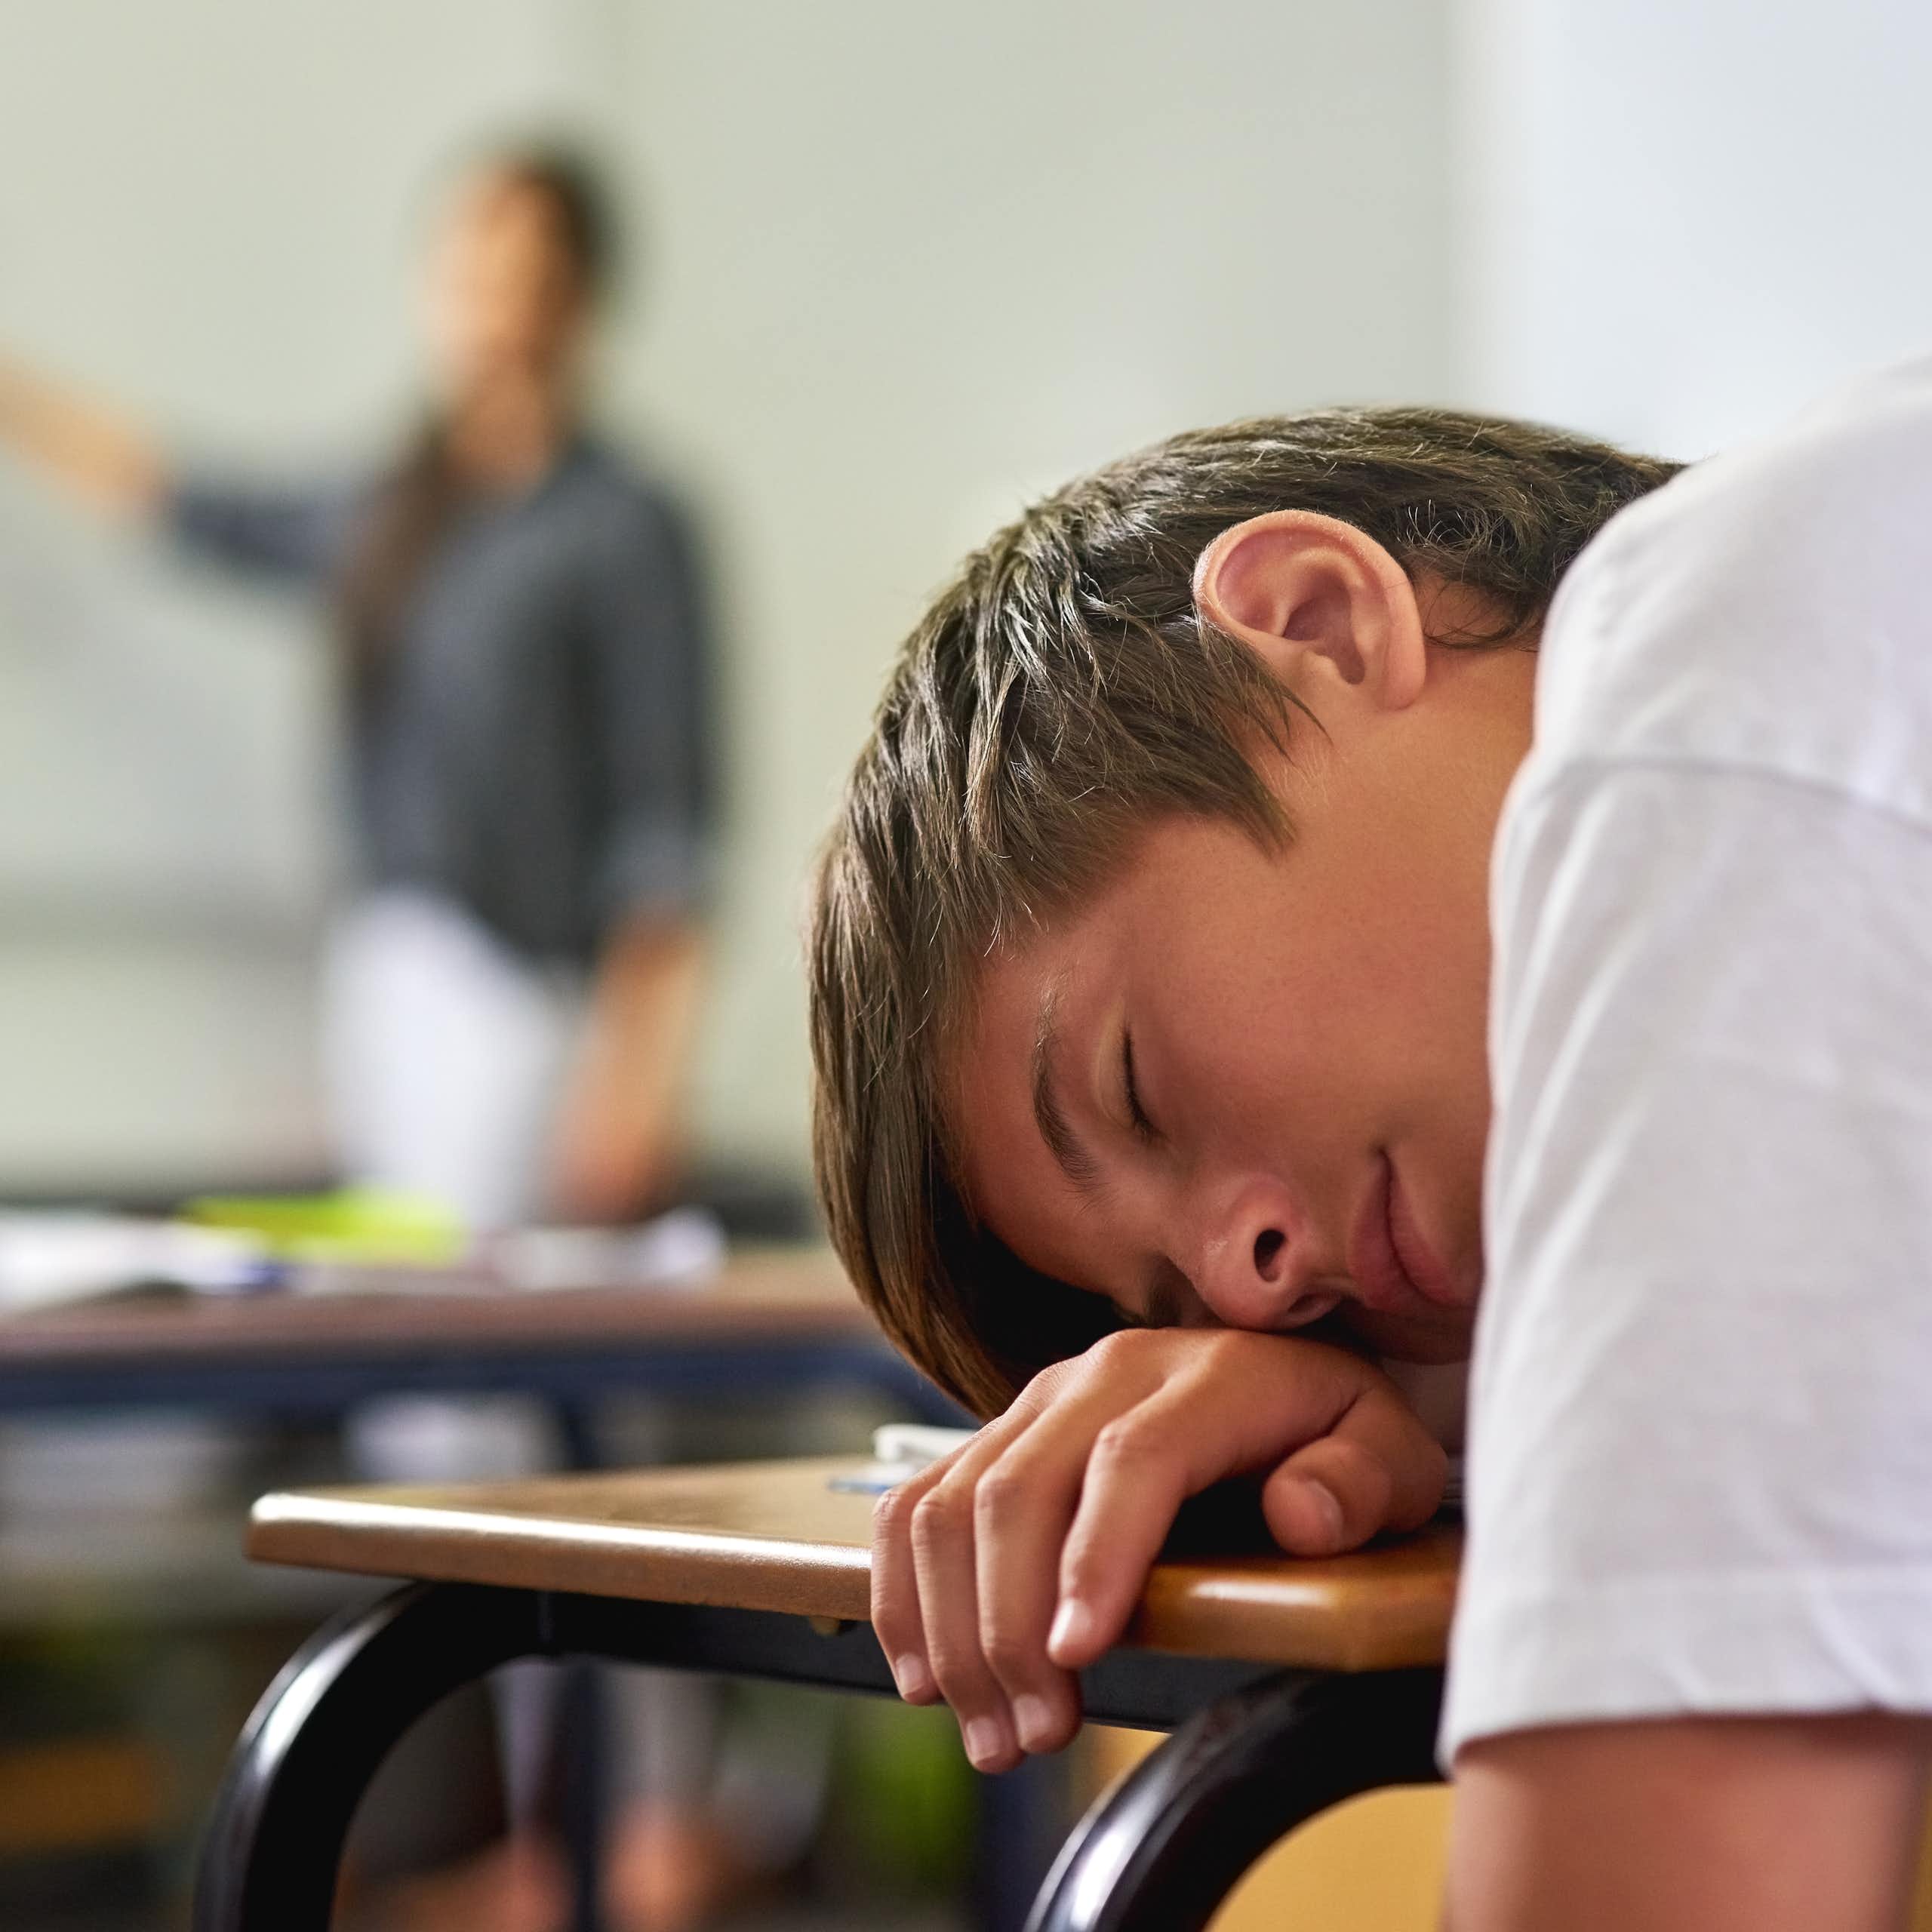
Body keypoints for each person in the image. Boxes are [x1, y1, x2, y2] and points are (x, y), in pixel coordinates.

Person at [809, 370, 1932, 1930]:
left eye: (1133, 1087)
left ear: (1319, 623)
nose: (1246, 1278)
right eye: (1171, 1301)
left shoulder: (1720, 677)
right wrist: (1418, 1422)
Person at [0, 143, 715, 1230]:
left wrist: (637, 1075)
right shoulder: (396, 511)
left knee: (484, 1349)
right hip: (388, 981)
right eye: (470, 276)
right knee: (395, 1311)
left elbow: (667, 824)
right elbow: (199, 506)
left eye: (524, 279)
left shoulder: (623, 526)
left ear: (580, 301)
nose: (492, 314)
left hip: (525, 1001)